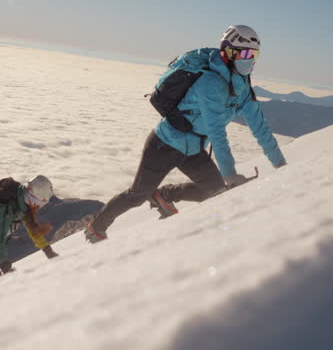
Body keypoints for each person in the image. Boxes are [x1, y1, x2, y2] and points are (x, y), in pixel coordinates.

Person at [85, 25, 286, 243]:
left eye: (254, 55)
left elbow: (260, 128)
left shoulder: (243, 87)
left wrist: (282, 167)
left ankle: (165, 195)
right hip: (164, 144)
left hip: (193, 149)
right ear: (228, 52)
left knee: (217, 190)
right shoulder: (210, 82)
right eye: (244, 53)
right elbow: (217, 132)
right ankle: (96, 227)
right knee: (137, 195)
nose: (250, 60)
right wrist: (230, 174)